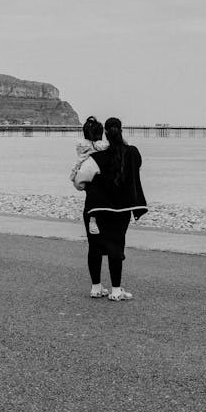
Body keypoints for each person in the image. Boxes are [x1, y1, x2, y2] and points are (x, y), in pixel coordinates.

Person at [73, 117, 147, 301]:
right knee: (116, 246)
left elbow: (79, 182)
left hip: (95, 211)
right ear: (121, 131)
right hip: (121, 210)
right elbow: (137, 165)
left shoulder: (95, 158)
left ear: (105, 133)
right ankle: (115, 291)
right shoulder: (132, 153)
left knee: (95, 247)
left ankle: (96, 288)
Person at [70, 116, 108, 235]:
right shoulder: (100, 146)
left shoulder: (81, 144)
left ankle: (93, 219)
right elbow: (106, 146)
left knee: (91, 195)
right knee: (96, 195)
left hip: (81, 173)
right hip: (92, 174)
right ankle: (93, 219)